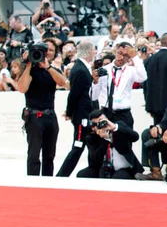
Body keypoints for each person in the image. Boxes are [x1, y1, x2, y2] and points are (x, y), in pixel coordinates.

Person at [18, 41, 67, 176]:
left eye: (46, 52)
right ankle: (33, 185)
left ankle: (47, 183)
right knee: (34, 155)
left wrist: (48, 67)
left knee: (49, 156)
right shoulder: (29, 71)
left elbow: (63, 83)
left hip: (50, 116)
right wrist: (28, 65)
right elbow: (22, 88)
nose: (39, 55)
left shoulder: (52, 70)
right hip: (34, 117)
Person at [56, 41, 95, 177]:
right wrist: (69, 112)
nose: (95, 53)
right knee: (78, 146)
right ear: (90, 51)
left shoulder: (82, 68)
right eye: (94, 50)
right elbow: (74, 94)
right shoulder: (80, 69)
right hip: (81, 115)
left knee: (88, 143)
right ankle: (62, 175)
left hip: (86, 114)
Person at [92, 41, 147, 128]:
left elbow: (143, 77)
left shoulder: (131, 71)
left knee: (125, 140)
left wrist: (135, 57)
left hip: (124, 114)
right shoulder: (104, 70)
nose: (121, 57)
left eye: (125, 56)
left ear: (129, 58)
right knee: (106, 141)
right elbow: (93, 97)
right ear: (115, 51)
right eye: (119, 53)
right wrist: (95, 82)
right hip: (106, 113)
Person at [76, 110, 144, 179]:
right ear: (93, 127)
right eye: (97, 124)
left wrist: (115, 128)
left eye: (102, 121)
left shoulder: (119, 126)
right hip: (103, 168)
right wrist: (105, 139)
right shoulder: (92, 138)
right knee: (83, 174)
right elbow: (95, 159)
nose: (102, 125)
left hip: (124, 168)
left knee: (118, 177)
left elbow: (135, 136)